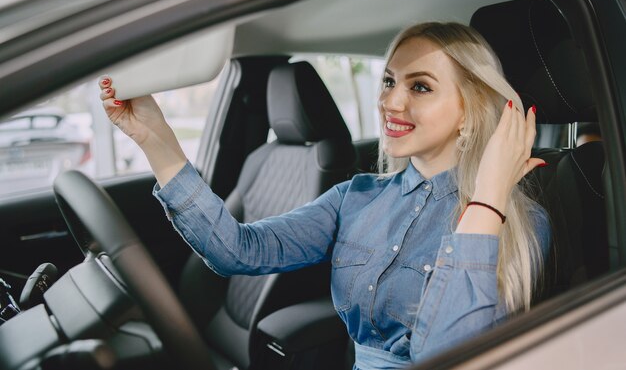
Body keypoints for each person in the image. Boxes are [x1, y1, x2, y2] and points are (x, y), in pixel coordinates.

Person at [98, 22, 551, 369]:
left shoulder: (516, 222)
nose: (391, 102)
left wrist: (488, 199)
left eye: (420, 86)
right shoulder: (355, 197)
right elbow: (237, 249)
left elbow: (448, 356)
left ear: (468, 114)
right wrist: (154, 136)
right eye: (390, 81)